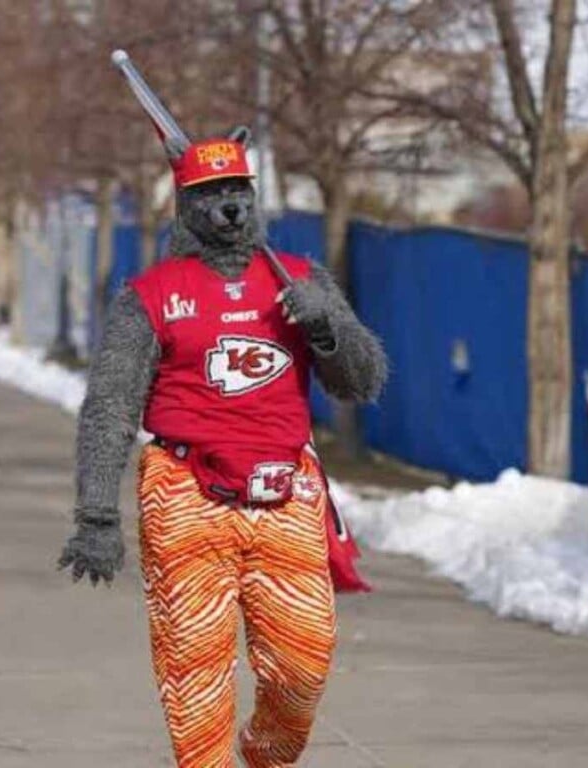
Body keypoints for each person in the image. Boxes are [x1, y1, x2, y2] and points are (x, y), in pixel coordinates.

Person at [58, 125, 388, 768]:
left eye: (238, 188)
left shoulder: (297, 280)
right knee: (196, 677)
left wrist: (327, 326)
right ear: (187, 205)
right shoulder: (151, 296)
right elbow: (109, 407)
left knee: (303, 665)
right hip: (185, 497)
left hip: (284, 494)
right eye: (211, 192)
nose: (229, 204)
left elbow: (363, 381)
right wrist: (96, 515)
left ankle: (264, 754)